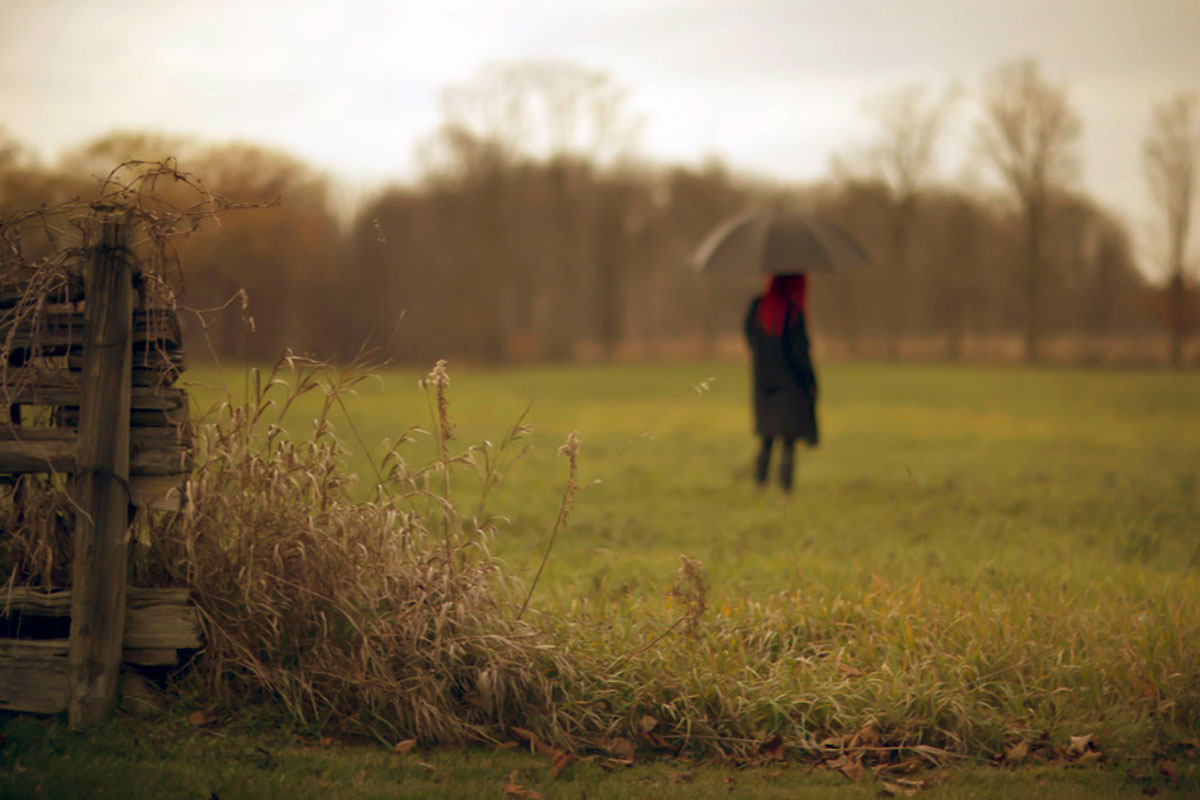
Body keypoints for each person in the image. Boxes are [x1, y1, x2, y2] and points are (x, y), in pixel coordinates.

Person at [743, 274, 818, 491]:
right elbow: (800, 354)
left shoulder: (758, 307)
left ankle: (760, 483)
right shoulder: (793, 313)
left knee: (766, 438)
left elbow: (749, 336)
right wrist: (811, 382)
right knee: (788, 442)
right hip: (790, 385)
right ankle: (785, 491)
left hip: (763, 382)